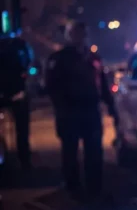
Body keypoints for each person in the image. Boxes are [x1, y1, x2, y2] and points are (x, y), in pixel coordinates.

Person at [44, 21, 115, 200]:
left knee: (94, 151)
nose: (81, 37)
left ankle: (94, 187)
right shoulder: (59, 58)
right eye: (77, 33)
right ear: (70, 36)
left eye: (83, 34)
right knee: (70, 151)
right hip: (70, 111)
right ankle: (72, 187)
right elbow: (51, 86)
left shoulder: (93, 58)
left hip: (90, 110)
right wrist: (61, 107)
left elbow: (102, 85)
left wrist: (112, 107)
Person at [0, 25, 34, 171]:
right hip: (17, 91)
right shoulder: (19, 44)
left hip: (16, 91)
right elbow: (29, 61)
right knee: (22, 129)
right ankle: (24, 159)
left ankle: (24, 159)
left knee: (22, 129)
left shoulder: (18, 44)